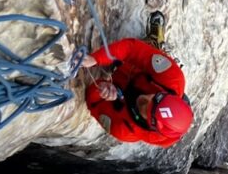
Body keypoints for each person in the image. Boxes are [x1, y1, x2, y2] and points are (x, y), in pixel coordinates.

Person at [81, 13, 193, 147]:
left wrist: (101, 90)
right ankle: (155, 45)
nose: (144, 101)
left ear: (151, 126)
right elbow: (131, 49)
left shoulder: (124, 130)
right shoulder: (173, 78)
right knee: (152, 54)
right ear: (163, 95)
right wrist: (96, 59)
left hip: (120, 84)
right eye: (153, 98)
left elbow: (93, 103)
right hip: (133, 71)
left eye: (147, 111)